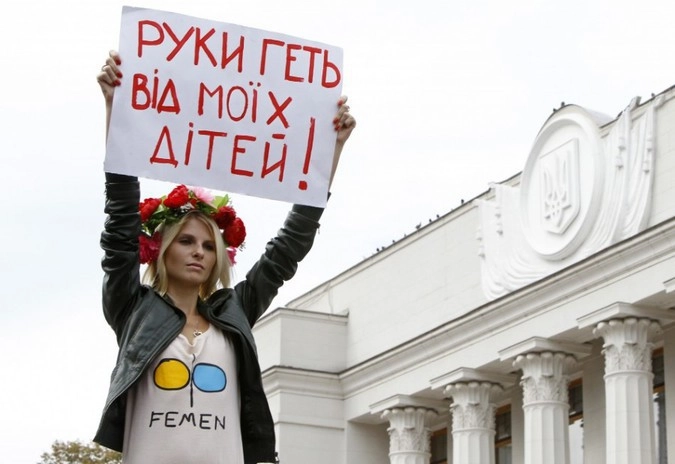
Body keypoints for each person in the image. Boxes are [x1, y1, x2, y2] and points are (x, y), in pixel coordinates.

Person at [94, 49, 356, 463]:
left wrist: (329, 150)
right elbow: (120, 227)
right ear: (161, 248)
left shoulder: (234, 312)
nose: (199, 252)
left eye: (208, 245)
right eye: (186, 241)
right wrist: (116, 107)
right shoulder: (133, 309)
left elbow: (287, 250)